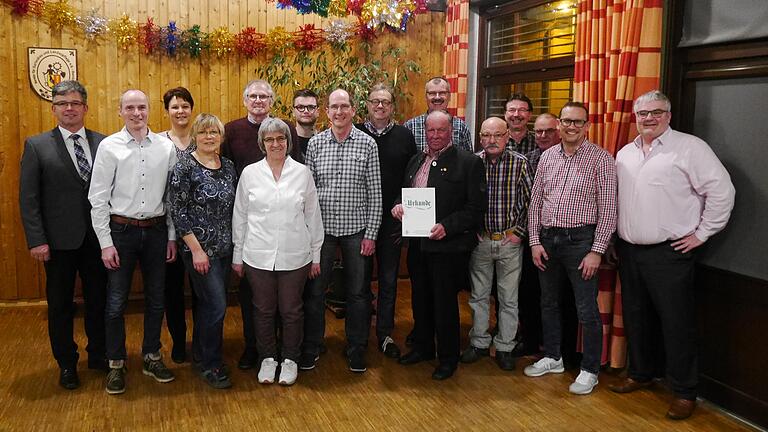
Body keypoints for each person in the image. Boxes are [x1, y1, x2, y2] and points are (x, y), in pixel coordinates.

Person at [610, 90, 735, 420]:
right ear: (634, 117)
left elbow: (722, 192)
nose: (648, 118)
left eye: (656, 112)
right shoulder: (625, 153)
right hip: (629, 251)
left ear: (668, 114)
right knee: (636, 317)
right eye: (642, 113)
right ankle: (640, 373)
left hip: (670, 253)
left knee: (677, 324)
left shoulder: (690, 148)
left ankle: (684, 391)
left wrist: (702, 233)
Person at [19, 80, 108, 390]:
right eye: (62, 103)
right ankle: (67, 363)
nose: (68, 108)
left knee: (100, 300)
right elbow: (28, 198)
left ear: (85, 107)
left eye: (74, 103)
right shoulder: (37, 145)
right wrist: (36, 239)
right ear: (54, 108)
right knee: (60, 306)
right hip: (57, 242)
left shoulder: (103, 143)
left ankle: (98, 353)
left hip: (98, 240)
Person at [523, 102, 617, 395]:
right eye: (566, 121)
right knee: (548, 303)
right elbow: (536, 201)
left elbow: (610, 209)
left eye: (578, 122)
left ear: (588, 126)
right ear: (559, 125)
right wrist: (535, 241)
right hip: (548, 240)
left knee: (586, 309)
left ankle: (590, 370)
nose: (571, 127)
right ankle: (553, 357)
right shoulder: (548, 156)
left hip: (581, 243)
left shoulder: (602, 160)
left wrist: (597, 250)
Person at [88, 89, 177, 395]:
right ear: (120, 110)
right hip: (120, 233)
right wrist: (105, 243)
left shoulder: (165, 148)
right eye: (130, 107)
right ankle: (116, 362)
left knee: (156, 299)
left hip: (154, 232)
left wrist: (170, 236)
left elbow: (171, 197)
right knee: (115, 303)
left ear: (149, 110)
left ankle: (152, 355)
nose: (137, 113)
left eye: (142, 107)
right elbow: (97, 198)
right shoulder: (109, 147)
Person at [393, 110, 486, 380]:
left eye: (441, 130)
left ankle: (448, 358)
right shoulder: (415, 161)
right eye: (430, 130)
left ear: (451, 131)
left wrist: (448, 226)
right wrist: (398, 207)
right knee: (420, 298)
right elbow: (404, 194)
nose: (435, 135)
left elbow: (475, 209)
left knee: (444, 304)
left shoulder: (468, 163)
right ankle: (423, 347)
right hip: (418, 244)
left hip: (448, 247)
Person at [232, 118, 324, 386]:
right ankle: (268, 358)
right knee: (262, 310)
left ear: (288, 142)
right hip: (257, 255)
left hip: (295, 255)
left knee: (291, 310)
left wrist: (316, 255)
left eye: (280, 139)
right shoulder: (250, 174)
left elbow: (312, 216)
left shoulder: (302, 173)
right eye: (270, 139)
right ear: (262, 143)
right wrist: (238, 256)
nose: (275, 144)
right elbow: (240, 216)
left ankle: (291, 360)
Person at [221, 79, 303, 370]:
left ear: (272, 101)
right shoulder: (231, 131)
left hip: (286, 228)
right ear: (245, 100)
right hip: (251, 224)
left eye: (264, 96)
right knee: (255, 301)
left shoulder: (285, 129)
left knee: (287, 304)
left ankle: (285, 351)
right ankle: (255, 348)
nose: (258, 101)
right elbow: (224, 171)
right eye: (253, 96)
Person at [303, 88, 382, 373]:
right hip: (322, 232)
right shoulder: (316, 144)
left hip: (356, 231)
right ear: (327, 111)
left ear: (352, 110)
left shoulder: (367, 144)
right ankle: (312, 345)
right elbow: (308, 192)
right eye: (334, 107)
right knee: (315, 292)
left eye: (344, 106)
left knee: (359, 294)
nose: (339, 112)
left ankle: (357, 347)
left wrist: (371, 234)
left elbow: (375, 193)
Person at [169, 113, 237, 389]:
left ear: (221, 137)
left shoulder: (229, 166)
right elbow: (178, 211)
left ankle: (200, 354)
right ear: (195, 136)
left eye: (214, 132)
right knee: (217, 306)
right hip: (200, 251)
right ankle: (211, 364)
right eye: (204, 132)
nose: (209, 137)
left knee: (210, 306)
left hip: (225, 249)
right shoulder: (185, 166)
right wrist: (196, 250)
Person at [460, 116, 533, 371]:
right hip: (480, 241)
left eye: (497, 135)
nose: (492, 140)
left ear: (507, 136)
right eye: (486, 135)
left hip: (510, 241)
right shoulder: (471, 164)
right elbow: (463, 202)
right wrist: (472, 231)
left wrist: (519, 233)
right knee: (478, 296)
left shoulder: (520, 164)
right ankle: (479, 343)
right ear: (480, 138)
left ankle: (505, 346)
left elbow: (531, 203)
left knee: (508, 298)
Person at [355, 83, 417, 359]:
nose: (380, 106)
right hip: (358, 220)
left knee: (390, 280)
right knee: (359, 281)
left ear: (393, 107)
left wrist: (401, 205)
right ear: (367, 105)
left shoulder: (405, 136)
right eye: (375, 101)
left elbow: (412, 175)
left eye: (386, 102)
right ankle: (357, 336)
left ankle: (384, 333)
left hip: (392, 220)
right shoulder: (355, 133)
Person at [518, 112, 562, 356]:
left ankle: (558, 347)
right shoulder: (529, 159)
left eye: (549, 131)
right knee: (530, 293)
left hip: (563, 238)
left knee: (557, 296)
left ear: (559, 131)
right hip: (530, 238)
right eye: (539, 131)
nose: (543, 136)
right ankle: (531, 342)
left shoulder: (577, 159)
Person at [161, 86, 196, 364]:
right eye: (175, 106)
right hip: (168, 229)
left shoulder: (204, 139)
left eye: (185, 106)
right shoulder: (159, 143)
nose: (180, 111)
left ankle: (202, 340)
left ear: (191, 109)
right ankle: (179, 341)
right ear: (167, 111)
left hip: (200, 229)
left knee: (201, 291)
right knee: (171, 291)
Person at [404, 77, 473, 153]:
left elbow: (469, 161)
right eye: (432, 93)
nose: (437, 97)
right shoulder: (410, 126)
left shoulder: (461, 126)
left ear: (449, 96)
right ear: (426, 97)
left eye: (442, 93)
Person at [293, 88, 320, 160]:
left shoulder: (325, 143)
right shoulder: (286, 141)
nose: (305, 111)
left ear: (318, 111)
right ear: (293, 111)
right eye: (300, 107)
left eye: (311, 107)